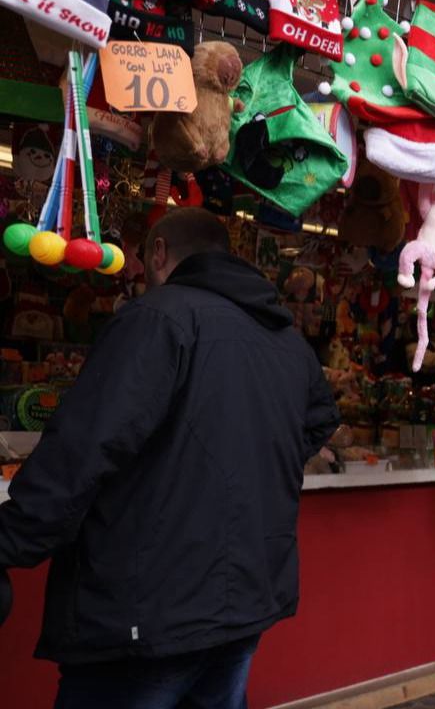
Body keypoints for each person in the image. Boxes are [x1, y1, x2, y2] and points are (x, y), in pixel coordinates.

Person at [0, 208, 339, 707]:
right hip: (243, 599)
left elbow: (82, 450)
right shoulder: (286, 342)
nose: (135, 274)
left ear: (159, 253)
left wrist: (10, 540)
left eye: (138, 261)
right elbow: (318, 421)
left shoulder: (157, 319)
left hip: (149, 611)